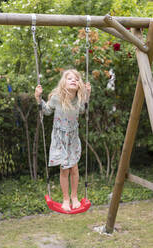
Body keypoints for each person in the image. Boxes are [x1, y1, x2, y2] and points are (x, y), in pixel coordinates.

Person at [35, 69, 91, 211]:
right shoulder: (57, 98)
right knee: (64, 169)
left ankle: (74, 197)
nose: (74, 80)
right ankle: (66, 199)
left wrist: (87, 95)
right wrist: (38, 98)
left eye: (77, 79)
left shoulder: (78, 99)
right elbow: (47, 111)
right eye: (70, 78)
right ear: (63, 83)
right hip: (60, 137)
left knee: (74, 168)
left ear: (80, 85)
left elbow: (83, 111)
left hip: (72, 137)